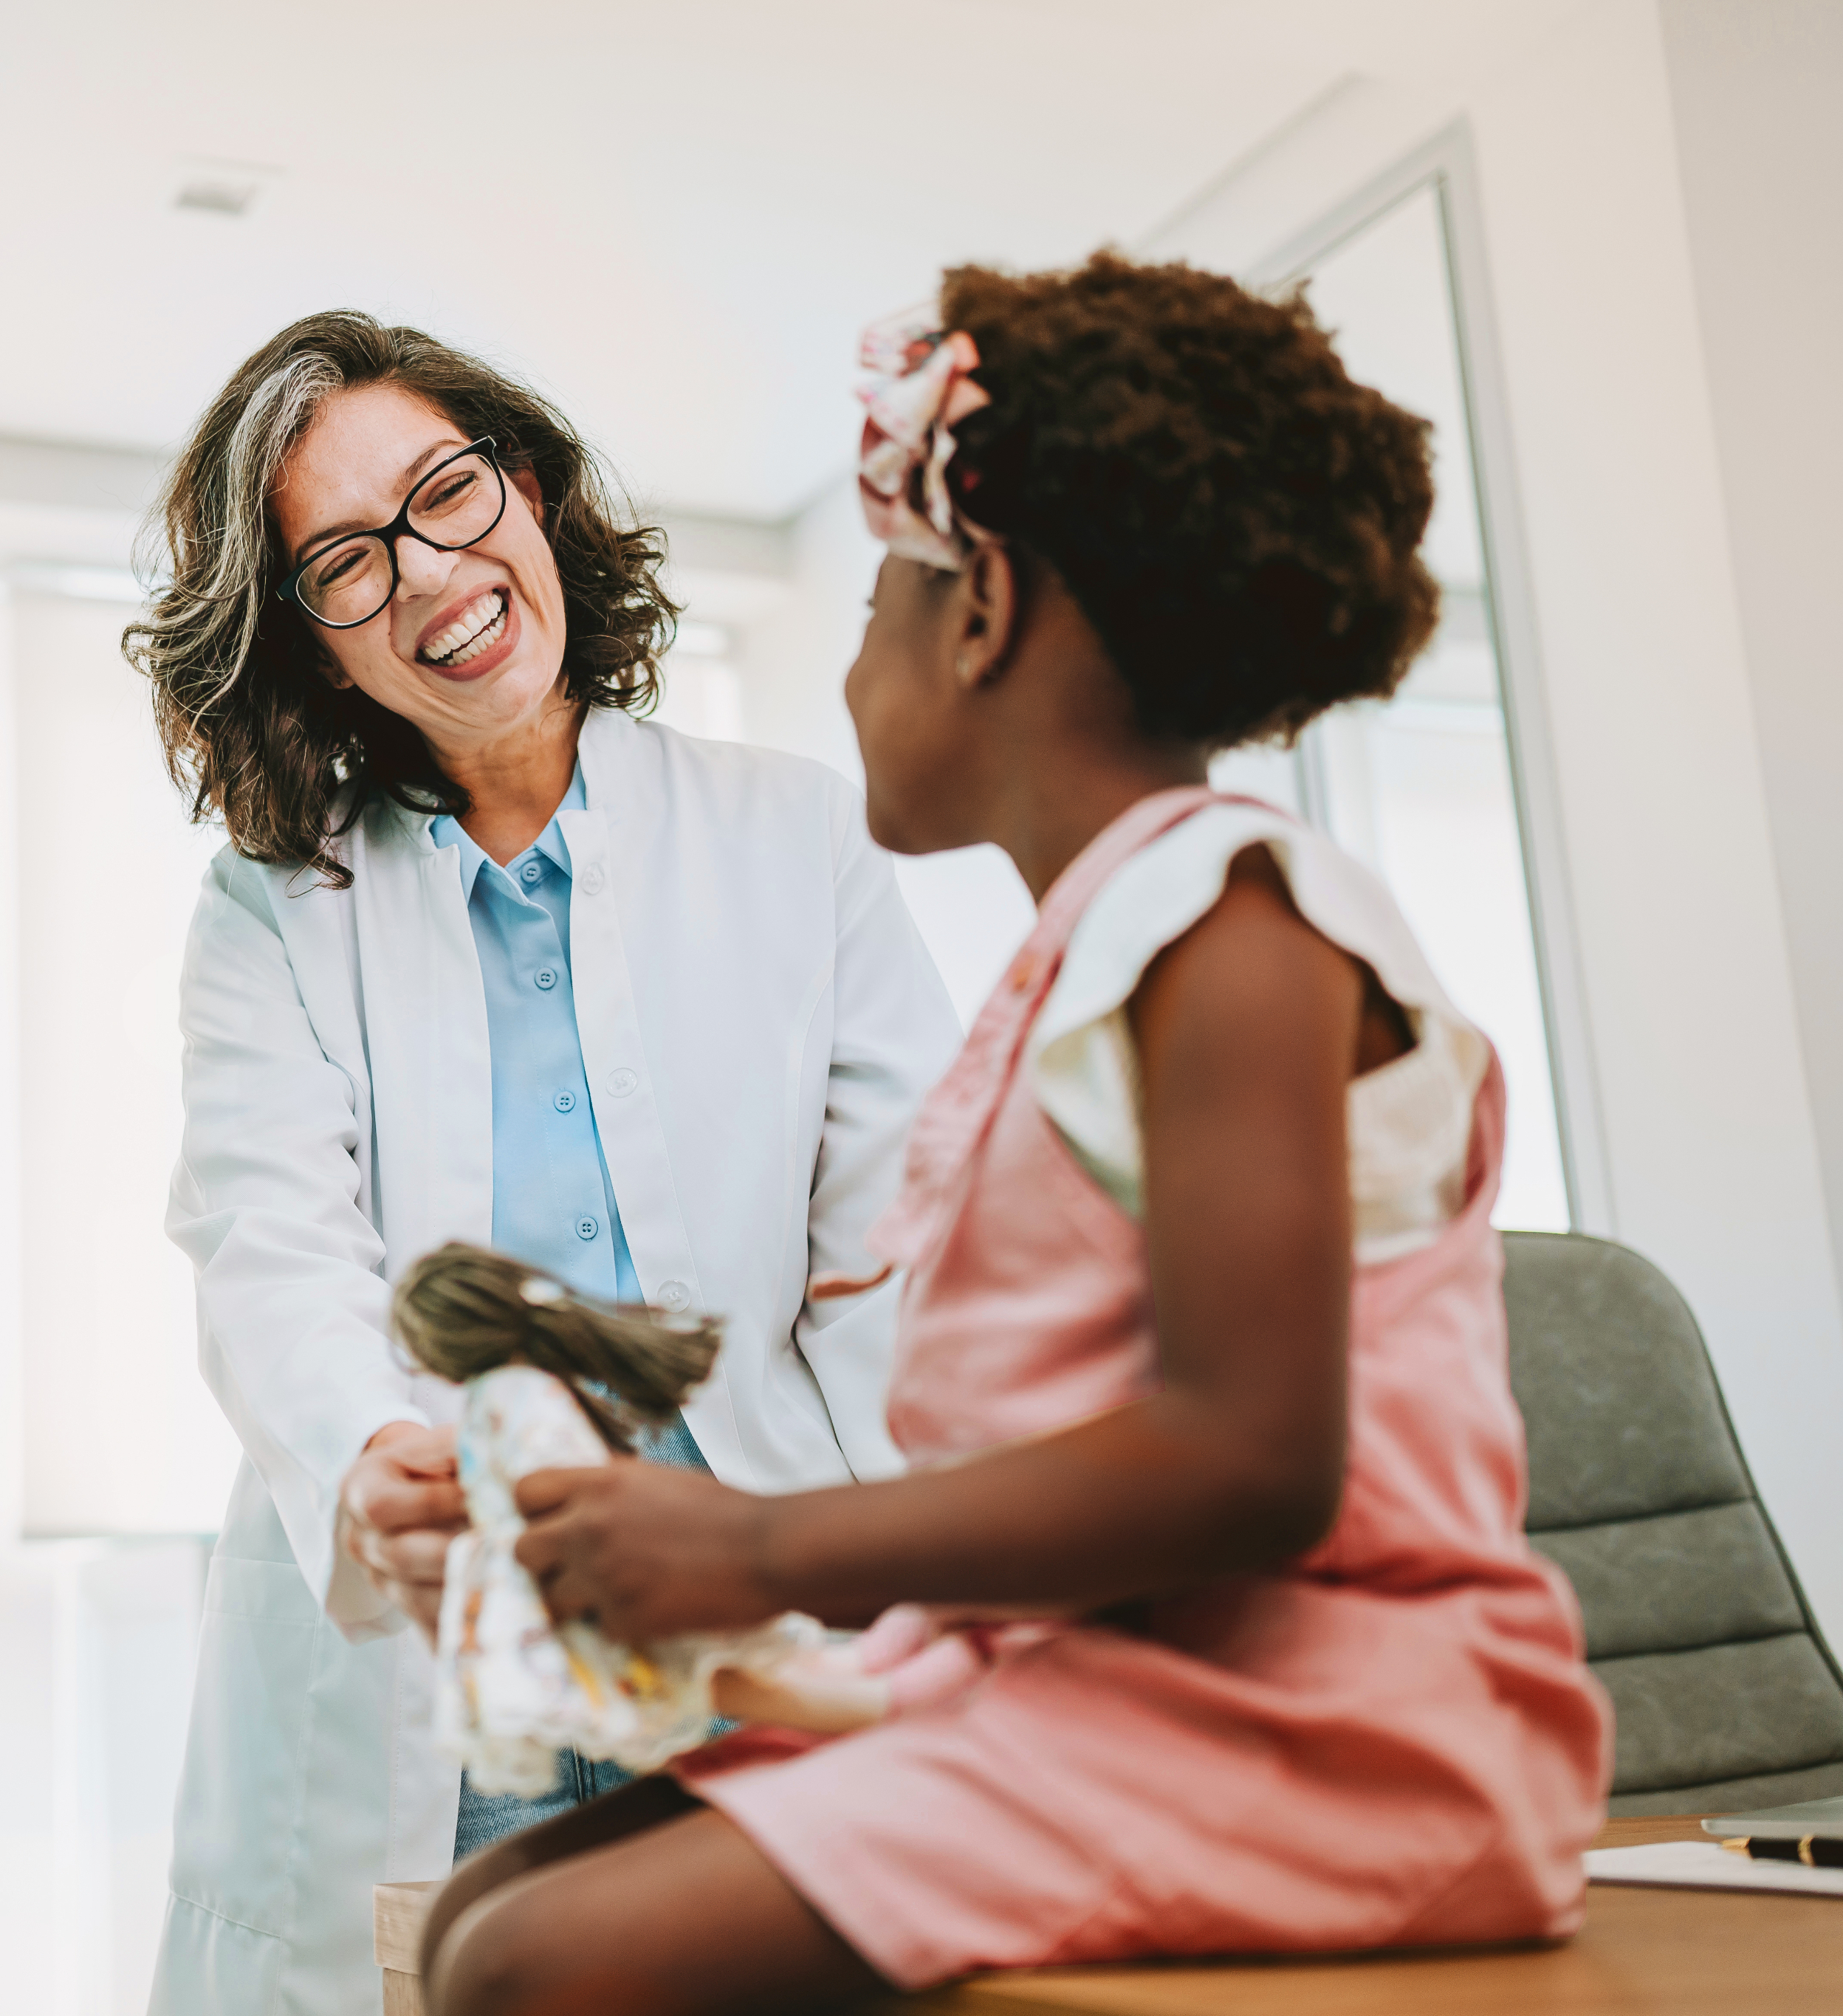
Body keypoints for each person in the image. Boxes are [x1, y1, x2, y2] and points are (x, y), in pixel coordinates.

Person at [416, 254, 1614, 2015]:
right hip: (1123, 1680)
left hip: (1331, 1722)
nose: (847, 669)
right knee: (482, 1904)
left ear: (975, 612)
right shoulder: (1094, 952)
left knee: (532, 1966)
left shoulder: (1234, 924)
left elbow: (1251, 1458)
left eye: (871, 609)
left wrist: (753, 1549)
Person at [126, 312, 959, 2015]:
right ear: (306, 644)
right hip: (443, 1653)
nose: (431, 571)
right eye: (346, 561)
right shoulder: (271, 908)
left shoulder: (793, 835)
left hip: (753, 1623)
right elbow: (265, 1240)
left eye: (447, 491)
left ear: (528, 486)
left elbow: (901, 1256)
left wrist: (918, 1580)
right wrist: (368, 1456)